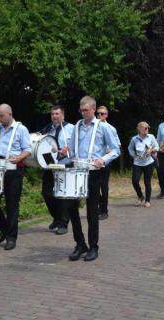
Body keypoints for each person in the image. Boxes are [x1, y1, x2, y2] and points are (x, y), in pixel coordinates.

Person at [61, 96, 120, 261]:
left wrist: (103, 159)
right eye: (81, 110)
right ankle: (80, 244)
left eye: (86, 110)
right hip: (77, 170)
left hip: (94, 172)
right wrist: (65, 153)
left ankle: (93, 247)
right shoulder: (77, 126)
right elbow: (72, 151)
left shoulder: (103, 127)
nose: (83, 113)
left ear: (94, 109)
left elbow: (115, 150)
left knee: (92, 211)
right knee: (71, 207)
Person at [0, 104, 31, 250]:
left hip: (14, 169)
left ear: (10, 114)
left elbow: (28, 150)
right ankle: (4, 229)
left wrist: (19, 158)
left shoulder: (21, 129)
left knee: (11, 204)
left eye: (1, 116)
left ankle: (11, 237)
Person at [40, 105, 74, 235]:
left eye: (57, 114)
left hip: (65, 164)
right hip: (50, 165)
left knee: (63, 195)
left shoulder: (71, 128)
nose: (54, 116)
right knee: (47, 193)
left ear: (63, 114)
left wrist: (69, 150)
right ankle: (57, 217)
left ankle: (63, 224)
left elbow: (76, 145)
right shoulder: (47, 129)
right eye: (52, 114)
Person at [96, 105, 121, 220]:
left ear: (106, 115)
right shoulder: (93, 126)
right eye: (98, 113)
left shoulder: (111, 128)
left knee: (103, 185)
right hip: (93, 161)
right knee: (91, 185)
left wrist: (109, 150)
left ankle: (104, 210)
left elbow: (118, 145)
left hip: (105, 160)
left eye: (102, 114)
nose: (100, 116)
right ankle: (98, 206)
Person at [128, 122, 159, 208]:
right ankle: (140, 196)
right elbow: (130, 148)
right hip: (137, 163)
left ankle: (147, 200)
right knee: (135, 181)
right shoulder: (134, 139)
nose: (147, 130)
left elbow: (157, 147)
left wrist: (151, 150)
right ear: (139, 129)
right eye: (145, 128)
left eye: (148, 128)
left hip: (148, 163)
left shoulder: (151, 137)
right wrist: (134, 155)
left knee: (147, 182)